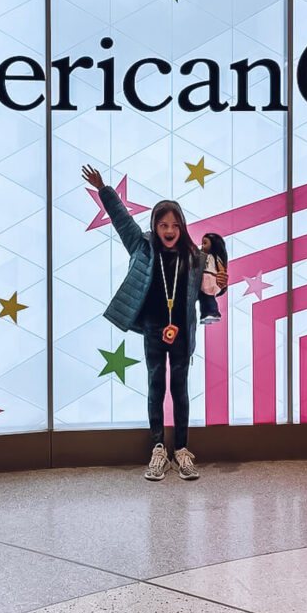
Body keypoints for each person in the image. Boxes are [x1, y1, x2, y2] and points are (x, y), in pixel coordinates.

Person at [82, 165, 227, 480]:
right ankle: (159, 449)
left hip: (183, 334)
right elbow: (122, 221)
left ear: (182, 226)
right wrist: (104, 189)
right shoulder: (142, 246)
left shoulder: (196, 257)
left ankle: (182, 451)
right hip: (153, 330)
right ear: (155, 226)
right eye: (163, 224)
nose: (169, 229)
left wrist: (221, 282)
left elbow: (211, 289)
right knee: (155, 387)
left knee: (181, 390)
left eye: (175, 224)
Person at [199, 232, 227, 324]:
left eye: (205, 243)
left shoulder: (215, 258)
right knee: (204, 298)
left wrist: (221, 275)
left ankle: (214, 313)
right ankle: (205, 314)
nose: (202, 245)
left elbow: (221, 269)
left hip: (211, 280)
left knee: (209, 298)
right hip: (205, 280)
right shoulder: (203, 256)